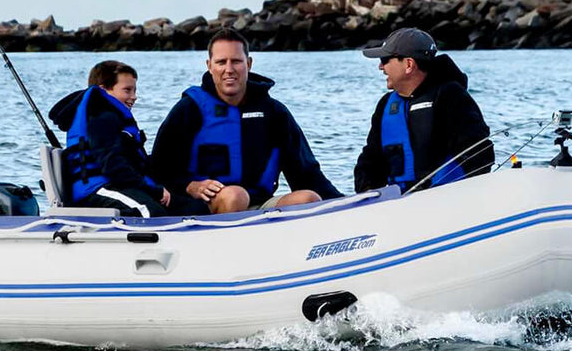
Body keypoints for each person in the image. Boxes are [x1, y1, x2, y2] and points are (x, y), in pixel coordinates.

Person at [153, 30, 343, 213]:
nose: (229, 69)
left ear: (249, 64)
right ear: (209, 66)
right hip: (204, 209)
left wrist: (344, 205)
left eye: (236, 61)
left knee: (308, 199)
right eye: (221, 62)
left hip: (259, 207)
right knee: (236, 195)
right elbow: (158, 170)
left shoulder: (274, 112)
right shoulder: (188, 109)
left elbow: (307, 173)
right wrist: (190, 186)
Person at [48, 60, 208, 217]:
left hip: (121, 187)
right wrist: (154, 190)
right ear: (104, 90)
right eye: (127, 90)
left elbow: (134, 166)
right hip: (98, 191)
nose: (134, 96)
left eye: (134, 90)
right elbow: (113, 166)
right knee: (148, 211)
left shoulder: (115, 120)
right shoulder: (101, 118)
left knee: (196, 208)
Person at [354, 27, 493, 193]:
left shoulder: (450, 96)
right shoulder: (386, 105)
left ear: (409, 65)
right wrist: (367, 193)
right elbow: (371, 161)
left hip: (448, 199)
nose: (380, 67)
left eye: (385, 60)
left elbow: (480, 156)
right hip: (399, 204)